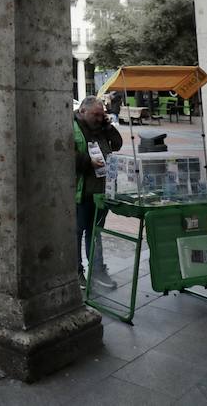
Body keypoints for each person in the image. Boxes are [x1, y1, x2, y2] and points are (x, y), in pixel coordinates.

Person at [74, 97, 123, 290]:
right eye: (95, 114)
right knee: (77, 232)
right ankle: (76, 271)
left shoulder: (102, 126)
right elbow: (65, 155)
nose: (99, 117)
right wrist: (88, 162)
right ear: (83, 112)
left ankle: (97, 271)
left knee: (96, 232)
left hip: (102, 189)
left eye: (101, 114)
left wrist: (109, 126)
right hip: (82, 190)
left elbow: (117, 144)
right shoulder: (72, 126)